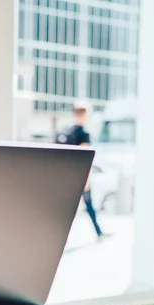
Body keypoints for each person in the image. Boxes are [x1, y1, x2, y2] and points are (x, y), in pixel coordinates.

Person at [56, 101, 108, 239]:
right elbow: (86, 158)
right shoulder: (84, 133)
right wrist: (87, 178)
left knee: (67, 208)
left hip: (67, 175)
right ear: (85, 114)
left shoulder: (67, 131)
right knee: (87, 205)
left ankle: (97, 231)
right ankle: (98, 232)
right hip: (80, 176)